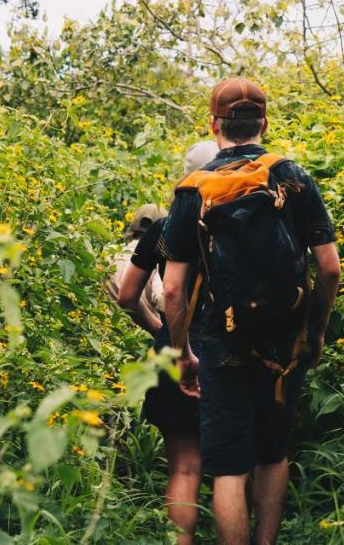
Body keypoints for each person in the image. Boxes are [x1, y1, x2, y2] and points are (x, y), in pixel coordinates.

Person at [160, 78, 342, 545]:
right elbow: (329, 269)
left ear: (213, 124)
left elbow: (174, 290)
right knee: (273, 452)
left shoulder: (193, 188)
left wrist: (182, 354)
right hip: (286, 338)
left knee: (227, 466)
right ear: (263, 122)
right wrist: (316, 332)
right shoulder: (292, 175)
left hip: (221, 341)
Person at [110, 140, 219, 545]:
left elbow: (126, 296)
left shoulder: (165, 225)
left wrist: (163, 330)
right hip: (234, 348)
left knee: (184, 468)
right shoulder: (247, 223)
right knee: (236, 465)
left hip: (176, 349)